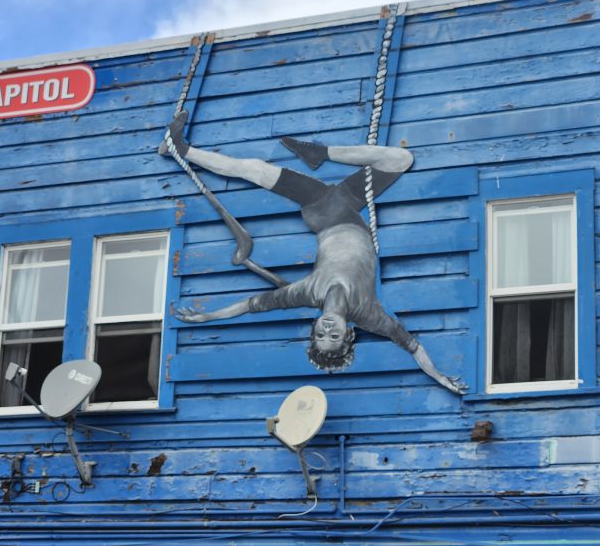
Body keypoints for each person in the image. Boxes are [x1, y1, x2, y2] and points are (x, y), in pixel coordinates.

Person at [162, 111, 465, 395]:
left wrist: (209, 316)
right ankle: (317, 153)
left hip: (326, 212)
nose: (328, 331)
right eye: (334, 337)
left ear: (313, 328)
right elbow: (412, 347)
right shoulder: (370, 314)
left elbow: (252, 305)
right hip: (347, 207)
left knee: (255, 170)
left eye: (320, 335)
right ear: (349, 334)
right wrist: (439, 377)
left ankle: (181, 149)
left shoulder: (307, 292)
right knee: (400, 158)